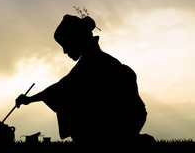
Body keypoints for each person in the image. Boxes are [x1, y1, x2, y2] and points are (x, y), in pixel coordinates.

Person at [15, 14, 148, 145]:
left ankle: (126, 140)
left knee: (71, 102)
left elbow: (61, 89)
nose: (64, 51)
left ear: (76, 39)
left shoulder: (92, 63)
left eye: (65, 44)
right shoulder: (93, 60)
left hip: (123, 120)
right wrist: (30, 99)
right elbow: (62, 87)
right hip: (130, 118)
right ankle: (128, 139)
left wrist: (30, 99)